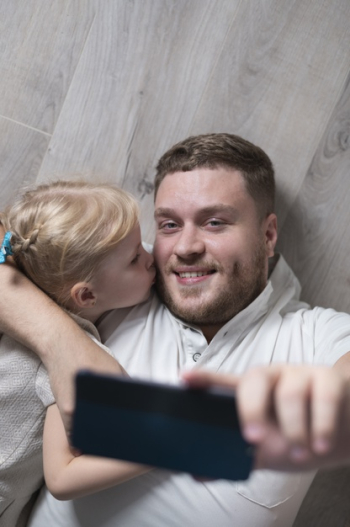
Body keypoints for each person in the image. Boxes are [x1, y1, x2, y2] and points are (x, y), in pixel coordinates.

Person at [1, 133, 350, 527]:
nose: (185, 247)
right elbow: (16, 239)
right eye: (168, 224)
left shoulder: (314, 334)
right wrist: (58, 338)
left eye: (214, 222)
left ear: (267, 235)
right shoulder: (121, 278)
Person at [0, 180, 156, 527]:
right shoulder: (75, 356)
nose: (151, 256)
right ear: (86, 296)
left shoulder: (11, 313)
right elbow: (63, 477)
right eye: (135, 258)